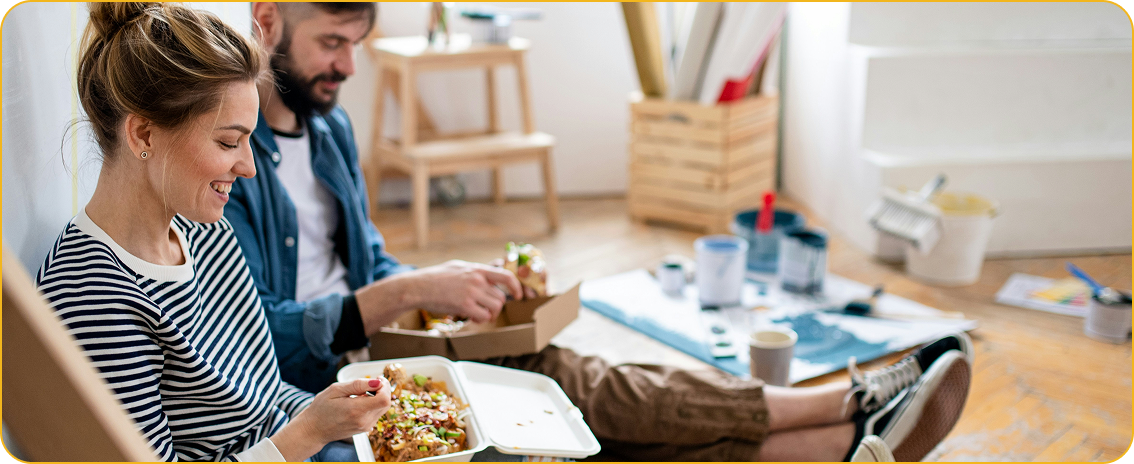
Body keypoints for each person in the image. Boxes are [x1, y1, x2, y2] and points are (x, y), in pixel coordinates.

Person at [227, 2, 974, 460]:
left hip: (388, 343)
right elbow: (254, 337)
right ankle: (842, 423)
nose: (349, 65)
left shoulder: (327, 130)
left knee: (572, 380)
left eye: (357, 43)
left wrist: (445, 287)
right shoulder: (230, 161)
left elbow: (364, 260)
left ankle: (841, 435)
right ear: (267, 20)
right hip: (328, 382)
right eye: (332, 43)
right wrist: (409, 290)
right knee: (580, 407)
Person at [35, 3, 391, 461]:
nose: (247, 167)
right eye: (228, 142)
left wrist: (360, 421)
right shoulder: (92, 297)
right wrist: (309, 432)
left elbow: (262, 395)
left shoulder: (205, 230)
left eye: (248, 140)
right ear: (144, 135)